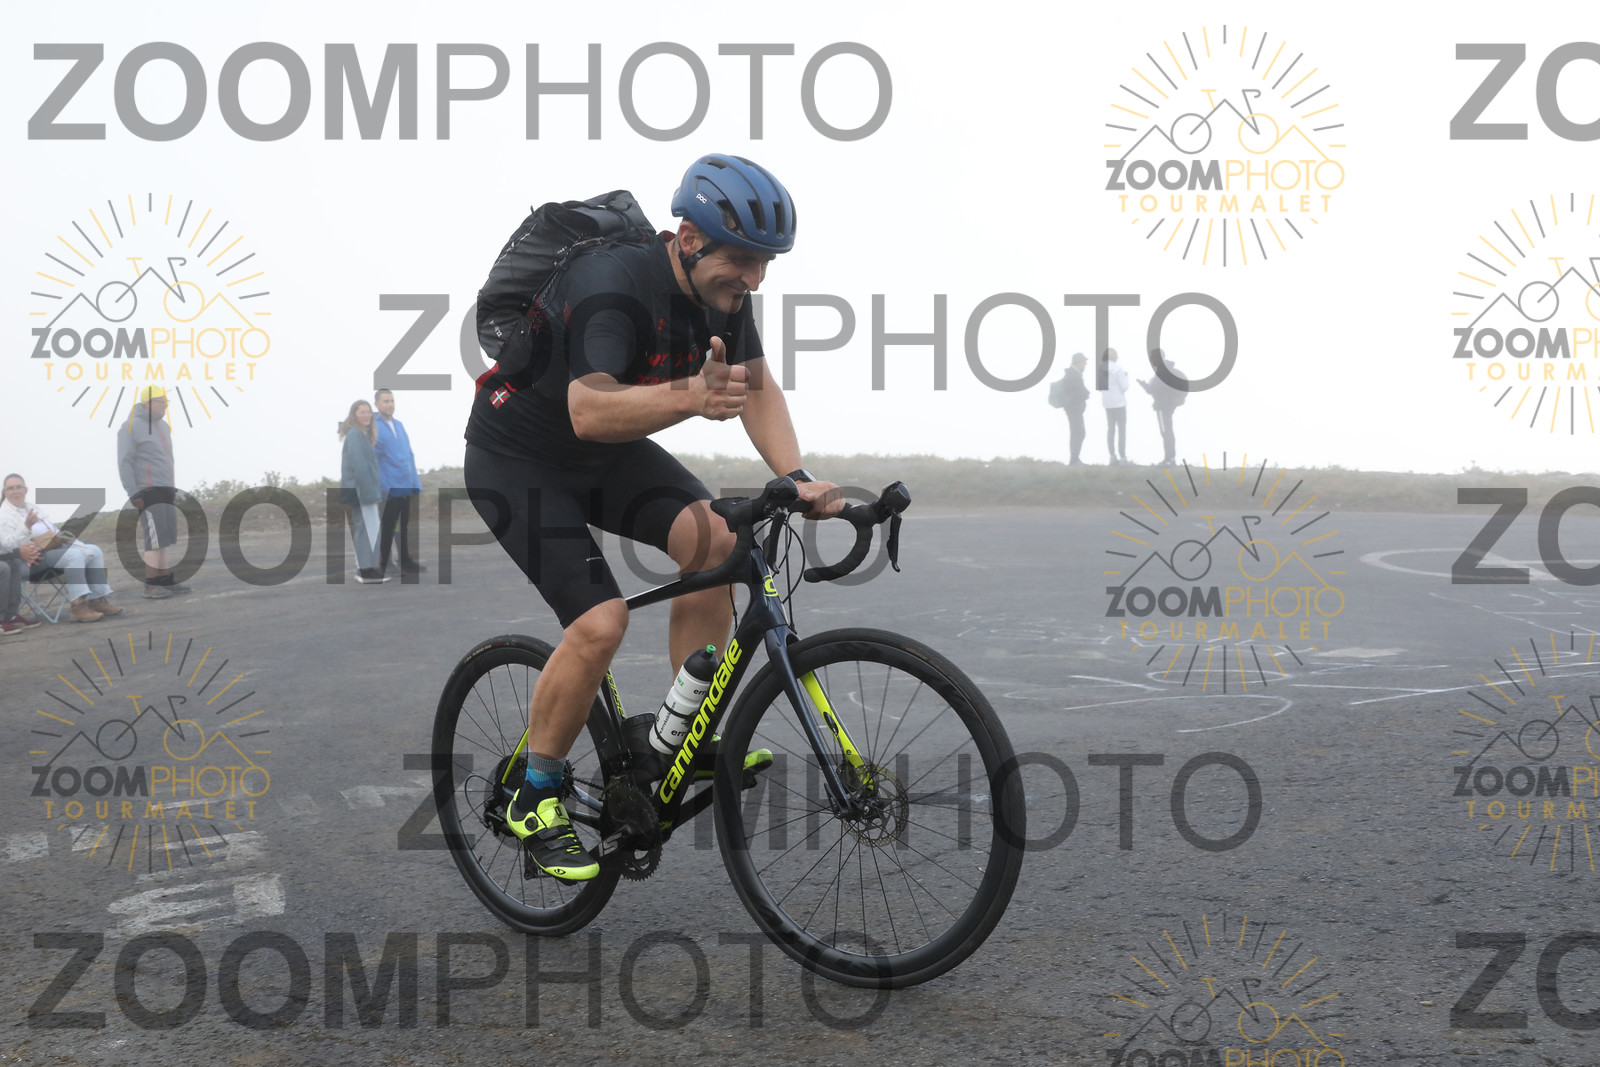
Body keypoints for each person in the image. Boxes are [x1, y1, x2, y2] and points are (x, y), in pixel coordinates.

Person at [463, 153, 842, 880]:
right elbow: (588, 409)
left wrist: (794, 477)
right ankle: (534, 793)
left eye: (765, 263)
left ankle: (679, 738)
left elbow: (755, 386)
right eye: (742, 261)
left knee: (717, 540)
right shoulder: (612, 282)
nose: (755, 278)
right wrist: (691, 396)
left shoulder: (725, 294)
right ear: (689, 240)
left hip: (605, 457)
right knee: (601, 622)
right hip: (519, 460)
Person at [0, 473, 125, 622]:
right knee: (73, 556)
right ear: (4, 492)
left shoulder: (32, 507)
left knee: (94, 550)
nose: (15, 491)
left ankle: (96, 599)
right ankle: (78, 606)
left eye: (19, 487)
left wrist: (63, 539)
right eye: (10, 488)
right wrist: (26, 526)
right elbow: (8, 545)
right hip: (27, 562)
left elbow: (51, 530)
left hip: (48, 550)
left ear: (25, 489)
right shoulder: (4, 515)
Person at [117, 385, 187, 599]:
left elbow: (168, 459)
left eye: (167, 402)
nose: (165, 406)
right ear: (147, 403)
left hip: (165, 488)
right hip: (147, 490)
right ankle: (151, 584)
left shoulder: (163, 426)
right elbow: (124, 461)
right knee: (154, 537)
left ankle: (163, 579)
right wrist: (133, 493)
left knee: (164, 536)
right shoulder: (130, 427)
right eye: (161, 402)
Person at [372, 388, 426, 576]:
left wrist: (415, 482)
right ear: (377, 404)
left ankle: (405, 561)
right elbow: (374, 459)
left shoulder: (399, 425)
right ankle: (384, 563)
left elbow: (409, 454)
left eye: (392, 401)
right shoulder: (373, 426)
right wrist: (383, 485)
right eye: (386, 401)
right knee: (388, 527)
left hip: (405, 484)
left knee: (403, 526)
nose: (390, 404)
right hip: (389, 487)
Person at [339, 400, 389, 584]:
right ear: (354, 415)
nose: (367, 415)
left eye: (368, 411)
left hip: (364, 490)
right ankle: (366, 570)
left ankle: (367, 568)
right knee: (367, 529)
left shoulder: (360, 434)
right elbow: (360, 466)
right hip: (362, 491)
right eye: (362, 412)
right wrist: (369, 492)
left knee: (367, 529)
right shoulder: (355, 434)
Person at [1138, 348, 1186, 466]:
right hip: (1170, 405)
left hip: (1163, 406)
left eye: (1152, 357)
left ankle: (1169, 459)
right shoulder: (1168, 370)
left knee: (1166, 432)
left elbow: (1152, 389)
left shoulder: (1162, 372)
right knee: (1168, 431)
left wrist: (1143, 384)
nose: (1151, 360)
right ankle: (1171, 459)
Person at [1056, 353, 1091, 465]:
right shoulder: (1074, 375)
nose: (1085, 365)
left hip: (1073, 409)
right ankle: (1074, 460)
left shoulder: (1072, 374)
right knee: (1079, 433)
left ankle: (1074, 459)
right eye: (1084, 363)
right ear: (1078, 363)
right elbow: (1081, 392)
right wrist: (1086, 394)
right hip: (1074, 409)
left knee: (1077, 433)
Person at [1099, 348, 1130, 465]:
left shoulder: (1101, 369)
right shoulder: (1117, 369)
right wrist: (1125, 377)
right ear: (1114, 357)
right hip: (1119, 403)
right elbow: (1125, 387)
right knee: (1121, 430)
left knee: (1110, 429)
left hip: (1108, 403)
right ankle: (1123, 457)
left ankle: (1112, 456)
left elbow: (1100, 388)